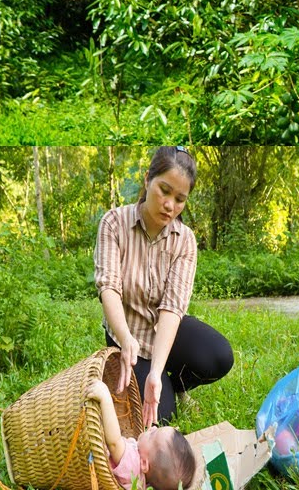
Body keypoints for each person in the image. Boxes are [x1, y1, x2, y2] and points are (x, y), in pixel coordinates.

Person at [94, 146, 234, 428]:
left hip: (164, 333)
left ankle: (175, 383)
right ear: (148, 180)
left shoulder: (185, 240)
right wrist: (124, 339)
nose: (170, 204)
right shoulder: (113, 223)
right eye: (164, 191)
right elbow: (109, 289)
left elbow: (172, 308)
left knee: (219, 355)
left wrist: (156, 373)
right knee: (160, 417)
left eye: (180, 199)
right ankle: (158, 384)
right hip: (129, 340)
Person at [85, 380, 198, 490]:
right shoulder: (145, 482)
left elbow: (114, 443)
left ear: (144, 463)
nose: (153, 427)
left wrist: (106, 399)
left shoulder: (132, 465)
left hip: (88, 454)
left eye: (152, 435)